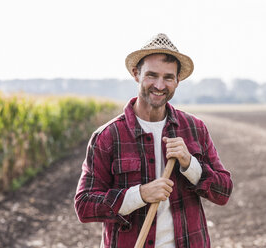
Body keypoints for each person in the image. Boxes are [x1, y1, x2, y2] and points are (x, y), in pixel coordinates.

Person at [74, 33, 233, 248]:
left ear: (177, 81)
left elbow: (223, 192)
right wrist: (139, 195)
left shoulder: (194, 129)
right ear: (136, 74)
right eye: (151, 75)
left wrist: (190, 165)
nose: (159, 85)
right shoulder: (108, 136)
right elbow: (84, 206)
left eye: (168, 77)